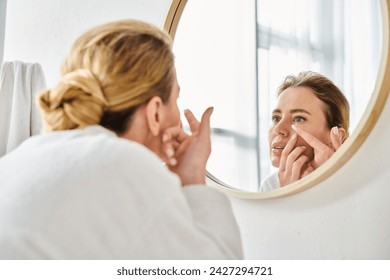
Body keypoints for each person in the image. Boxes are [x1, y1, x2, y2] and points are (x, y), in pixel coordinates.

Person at [0, 19, 242, 259]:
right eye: (176, 98)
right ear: (155, 111)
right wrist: (193, 177)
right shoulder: (127, 165)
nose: (179, 115)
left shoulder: (21, 157)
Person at [260, 71, 350, 192]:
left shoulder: (357, 184)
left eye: (298, 119)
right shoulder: (269, 186)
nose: (277, 129)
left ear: (334, 136)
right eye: (276, 118)